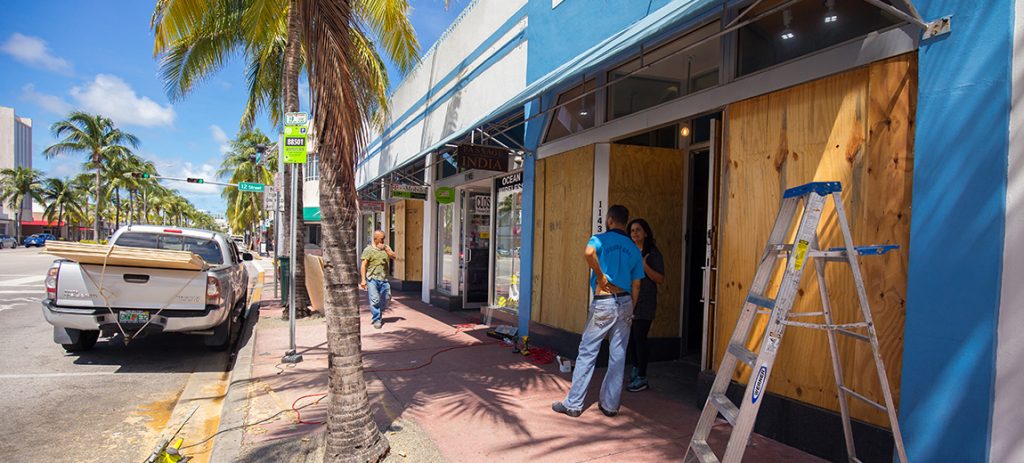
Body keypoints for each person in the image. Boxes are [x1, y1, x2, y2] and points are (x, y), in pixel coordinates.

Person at [552, 205, 644, 418]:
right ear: (625, 221)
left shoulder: (599, 239)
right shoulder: (633, 248)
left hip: (604, 301)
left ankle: (574, 404)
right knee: (618, 355)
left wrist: (600, 275)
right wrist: (632, 309)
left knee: (588, 351)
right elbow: (637, 284)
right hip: (626, 302)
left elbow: (588, 253)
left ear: (610, 220)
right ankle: (610, 406)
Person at [626, 218, 664, 392]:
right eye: (632, 230)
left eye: (638, 230)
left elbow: (660, 279)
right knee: (632, 339)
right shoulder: (629, 251)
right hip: (629, 300)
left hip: (646, 302)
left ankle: (642, 377)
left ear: (646, 233)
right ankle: (635, 368)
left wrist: (644, 265)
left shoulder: (653, 253)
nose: (635, 233)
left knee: (640, 338)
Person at [360, 230, 397, 329]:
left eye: (384, 238)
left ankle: (379, 312)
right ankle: (377, 319)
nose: (383, 240)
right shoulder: (368, 250)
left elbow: (394, 256)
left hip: (384, 279)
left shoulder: (386, 247)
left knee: (387, 297)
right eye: (381, 239)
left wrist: (386, 249)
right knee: (375, 300)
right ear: (375, 239)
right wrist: (363, 280)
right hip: (372, 279)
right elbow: (363, 265)